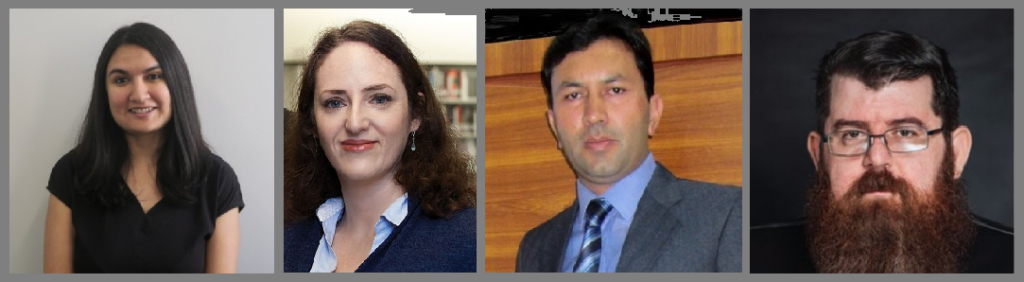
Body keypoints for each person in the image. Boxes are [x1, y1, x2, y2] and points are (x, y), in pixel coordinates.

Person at [750, 30, 1013, 273]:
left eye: (906, 132)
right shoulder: (751, 258)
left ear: (956, 153)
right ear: (819, 156)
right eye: (852, 135)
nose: (877, 159)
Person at [514, 14, 741, 273]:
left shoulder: (725, 216)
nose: (594, 114)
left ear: (653, 113)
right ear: (554, 126)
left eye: (615, 90)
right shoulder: (535, 248)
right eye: (574, 95)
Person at [43, 22, 244, 273]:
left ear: (176, 84)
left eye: (154, 76)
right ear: (104, 92)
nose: (138, 94)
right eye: (121, 79)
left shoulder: (218, 180)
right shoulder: (70, 174)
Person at [282, 20, 476, 273]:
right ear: (312, 122)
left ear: (415, 114)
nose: (355, 123)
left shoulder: (468, 244)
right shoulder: (289, 237)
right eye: (334, 103)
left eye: (379, 99)